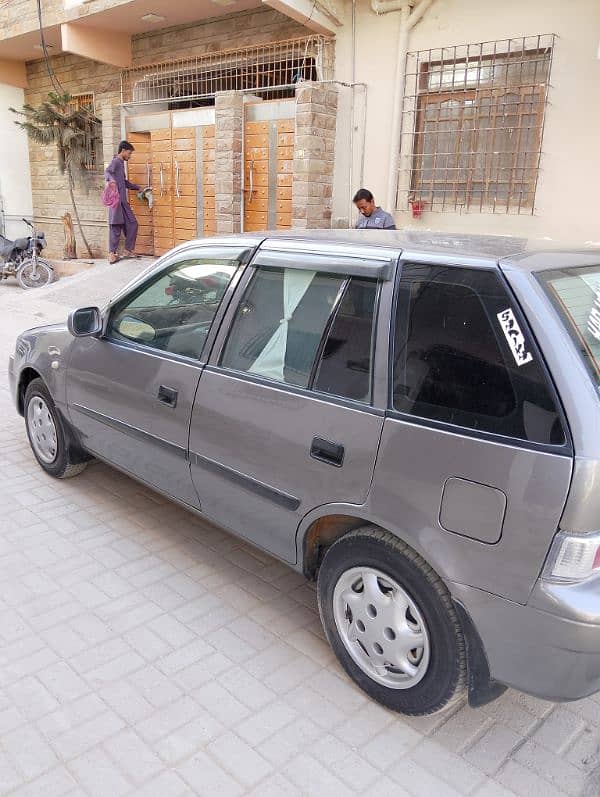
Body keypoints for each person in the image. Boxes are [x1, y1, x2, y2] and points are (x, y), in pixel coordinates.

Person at [104, 141, 141, 264]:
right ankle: (112, 254)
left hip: (123, 203)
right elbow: (107, 172)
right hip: (116, 203)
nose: (130, 156)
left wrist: (137, 187)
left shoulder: (120, 163)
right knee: (115, 227)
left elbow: (123, 182)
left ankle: (128, 250)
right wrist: (112, 181)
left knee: (132, 224)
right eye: (129, 153)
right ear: (123, 150)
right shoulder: (115, 162)